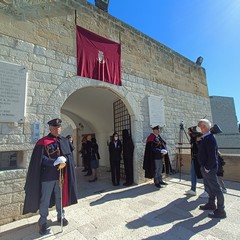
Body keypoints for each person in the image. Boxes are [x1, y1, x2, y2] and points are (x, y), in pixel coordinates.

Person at [23, 118, 78, 235]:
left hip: (61, 177)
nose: (57, 130)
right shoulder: (43, 142)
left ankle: (61, 216)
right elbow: (40, 159)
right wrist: (53, 162)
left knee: (60, 197)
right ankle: (42, 222)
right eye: (55, 128)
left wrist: (66, 160)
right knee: (45, 200)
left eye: (59, 127)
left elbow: (69, 156)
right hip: (48, 177)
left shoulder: (64, 140)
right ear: (50, 128)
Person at [197, 119, 226, 219]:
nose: (202, 129)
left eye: (203, 126)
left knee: (216, 189)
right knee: (209, 187)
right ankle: (211, 204)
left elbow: (212, 156)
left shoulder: (210, 138)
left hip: (209, 168)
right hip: (205, 167)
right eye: (201, 127)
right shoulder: (205, 138)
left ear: (208, 127)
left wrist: (207, 168)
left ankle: (221, 210)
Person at [185, 126, 208, 197]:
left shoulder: (199, 137)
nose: (188, 133)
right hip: (194, 159)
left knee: (204, 175)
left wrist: (198, 140)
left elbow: (202, 148)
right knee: (193, 174)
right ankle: (193, 190)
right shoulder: (193, 138)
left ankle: (207, 191)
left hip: (200, 159)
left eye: (189, 131)